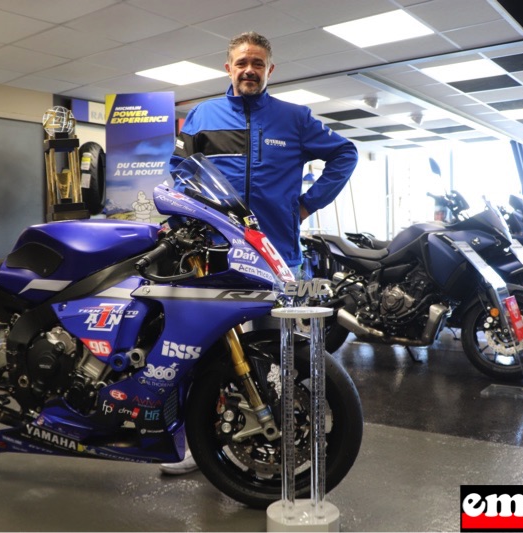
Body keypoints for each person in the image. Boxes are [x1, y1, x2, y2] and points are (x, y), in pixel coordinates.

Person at [159, 31, 358, 476]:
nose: (249, 69)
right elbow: (179, 173)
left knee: (278, 353)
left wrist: (307, 203)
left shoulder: (295, 118)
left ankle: (282, 437)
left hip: (277, 255)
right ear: (228, 68)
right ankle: (203, 442)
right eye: (241, 62)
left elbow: (345, 154)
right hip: (215, 256)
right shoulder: (201, 116)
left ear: (270, 70)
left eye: (258, 63)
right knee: (206, 354)